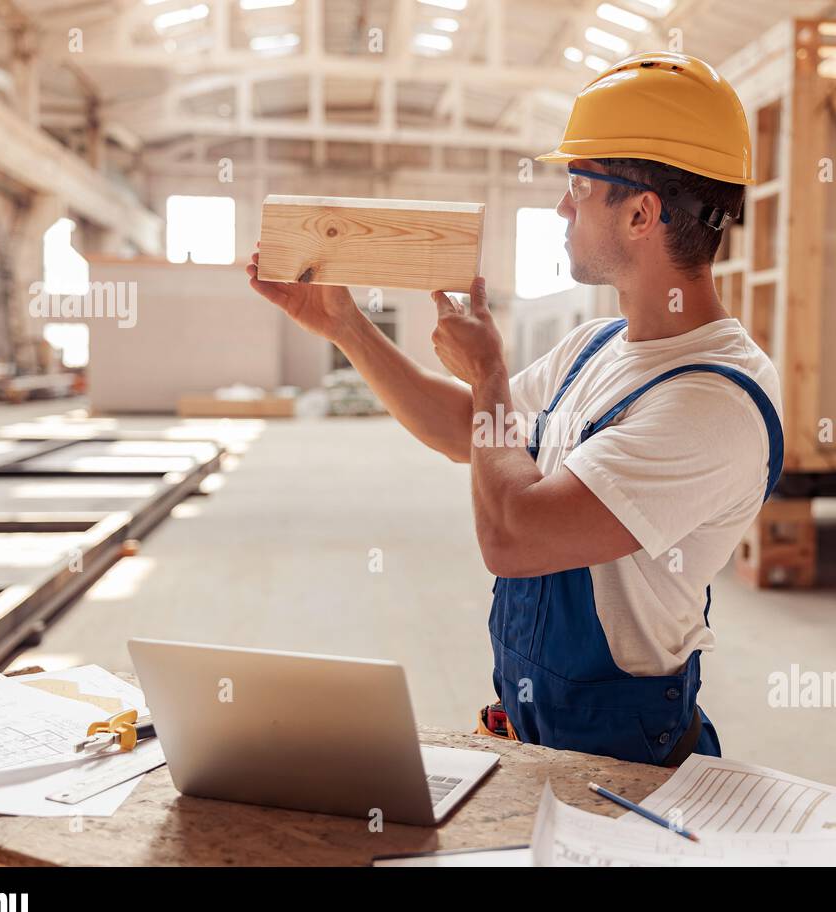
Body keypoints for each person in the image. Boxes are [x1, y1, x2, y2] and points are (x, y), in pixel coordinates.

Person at [247, 51, 783, 766]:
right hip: (535, 729)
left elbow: (515, 536)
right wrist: (346, 327)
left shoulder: (710, 403)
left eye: (577, 187)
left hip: (627, 758)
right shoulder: (597, 347)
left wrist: (492, 375)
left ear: (641, 213)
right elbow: (464, 432)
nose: (562, 208)